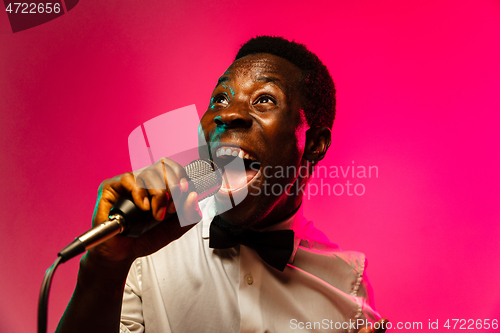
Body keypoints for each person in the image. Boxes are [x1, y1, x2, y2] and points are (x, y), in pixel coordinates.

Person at [56, 36, 386, 333]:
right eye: (220, 99)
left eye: (264, 100)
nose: (227, 115)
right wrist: (103, 270)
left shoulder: (347, 285)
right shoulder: (146, 251)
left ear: (314, 145)